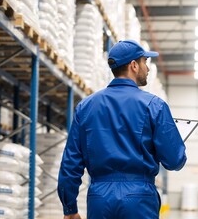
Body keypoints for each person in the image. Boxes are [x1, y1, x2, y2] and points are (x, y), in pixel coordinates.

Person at [58, 40, 187, 219]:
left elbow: (71, 161)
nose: (147, 69)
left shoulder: (85, 107)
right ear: (133, 65)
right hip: (139, 199)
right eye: (145, 62)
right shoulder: (154, 105)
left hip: (99, 198)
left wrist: (69, 208)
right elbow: (174, 161)